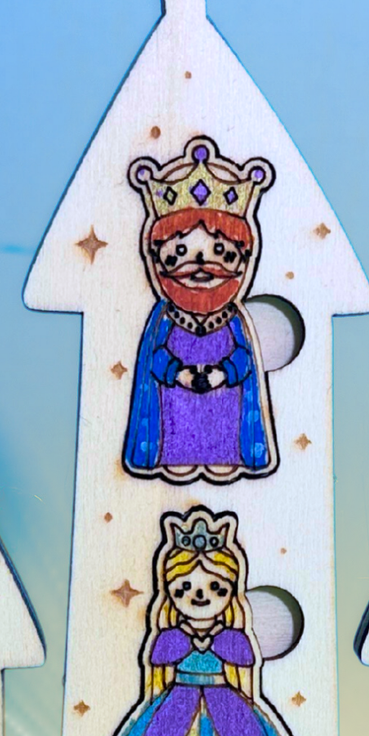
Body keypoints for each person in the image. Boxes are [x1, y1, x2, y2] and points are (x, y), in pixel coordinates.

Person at [102, 508, 311, 736]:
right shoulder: (172, 637)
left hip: (225, 701)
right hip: (177, 702)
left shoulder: (232, 637)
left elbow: (244, 656)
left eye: (216, 587)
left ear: (231, 592)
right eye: (184, 588)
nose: (200, 595)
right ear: (170, 593)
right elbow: (159, 656)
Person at [120, 137, 278, 482]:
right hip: (176, 401)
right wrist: (178, 374)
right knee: (177, 436)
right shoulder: (164, 318)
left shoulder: (234, 319)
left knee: (223, 435)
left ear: (241, 258)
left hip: (225, 402)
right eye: (179, 253)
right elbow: (155, 357)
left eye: (221, 252)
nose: (202, 263)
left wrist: (224, 374)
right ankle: (174, 460)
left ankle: (227, 459)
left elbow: (245, 357)